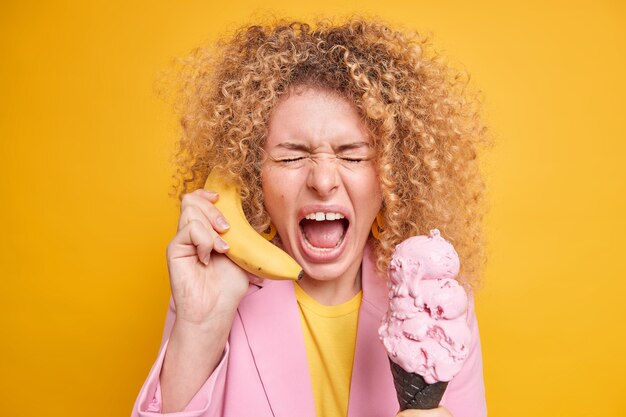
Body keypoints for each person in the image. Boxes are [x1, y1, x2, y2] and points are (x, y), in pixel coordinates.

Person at [132, 18, 489, 417]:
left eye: (352, 155)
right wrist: (199, 329)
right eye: (292, 156)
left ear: (393, 174)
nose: (322, 181)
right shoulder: (214, 293)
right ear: (253, 175)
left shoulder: (435, 304)